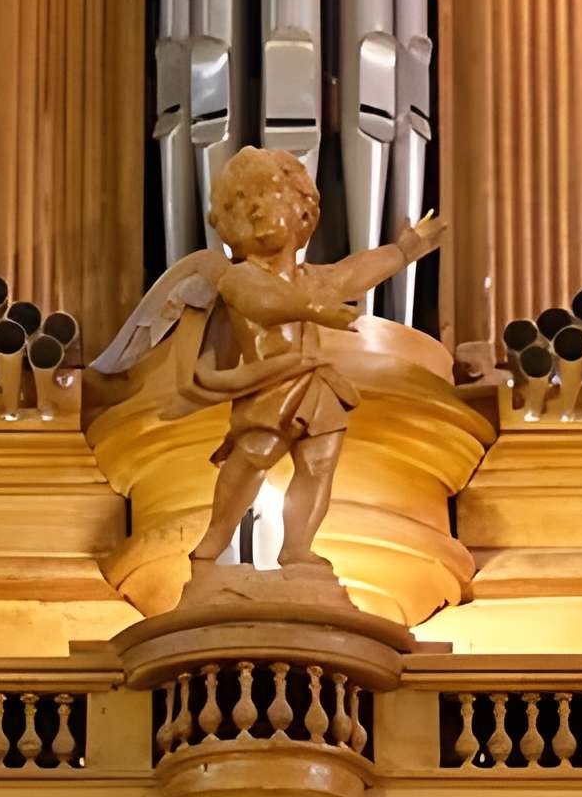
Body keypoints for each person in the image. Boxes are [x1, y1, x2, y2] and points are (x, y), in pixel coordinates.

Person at [90, 145, 445, 572]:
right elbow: (261, 303)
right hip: (267, 384)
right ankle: (213, 540)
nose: (256, 209)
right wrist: (312, 311)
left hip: (316, 384)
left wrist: (402, 253)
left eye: (269, 196)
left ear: (304, 212)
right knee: (255, 454)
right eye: (240, 202)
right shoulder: (238, 276)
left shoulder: (312, 279)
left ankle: (297, 547)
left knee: (320, 461)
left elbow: (353, 272)